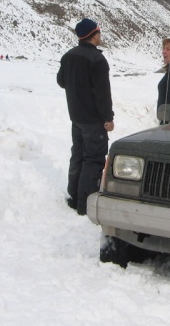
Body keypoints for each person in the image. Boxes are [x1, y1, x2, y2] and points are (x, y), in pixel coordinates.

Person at [57, 18, 114, 215]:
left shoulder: (68, 56)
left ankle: (73, 196)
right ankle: (85, 204)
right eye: (98, 33)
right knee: (94, 160)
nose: (100, 36)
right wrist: (108, 117)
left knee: (78, 156)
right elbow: (102, 93)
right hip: (93, 120)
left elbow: (61, 81)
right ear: (94, 35)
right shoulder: (97, 60)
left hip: (76, 117)